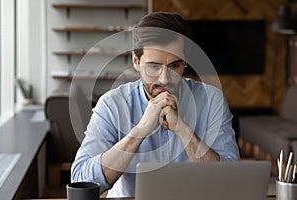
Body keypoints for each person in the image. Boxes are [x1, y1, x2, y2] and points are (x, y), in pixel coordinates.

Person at [71, 12, 240, 197]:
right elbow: (80, 179)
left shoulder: (211, 99)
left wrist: (182, 129)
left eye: (175, 65)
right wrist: (140, 130)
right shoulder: (112, 105)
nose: (164, 79)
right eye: (153, 66)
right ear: (136, 61)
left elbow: (230, 181)